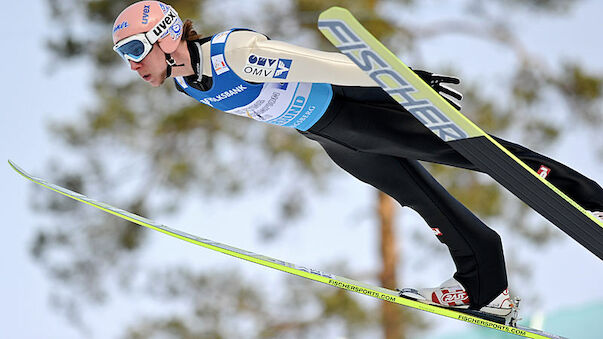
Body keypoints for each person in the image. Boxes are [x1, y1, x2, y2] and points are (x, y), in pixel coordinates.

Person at [111, 1, 603, 318]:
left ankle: (590, 202)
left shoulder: (231, 52)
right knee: (422, 201)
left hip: (354, 104)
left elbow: (313, 62)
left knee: (477, 154)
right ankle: (487, 287)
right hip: (330, 135)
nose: (132, 63)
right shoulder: (185, 82)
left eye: (135, 48)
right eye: (123, 54)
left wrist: (400, 80)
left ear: (168, 34)